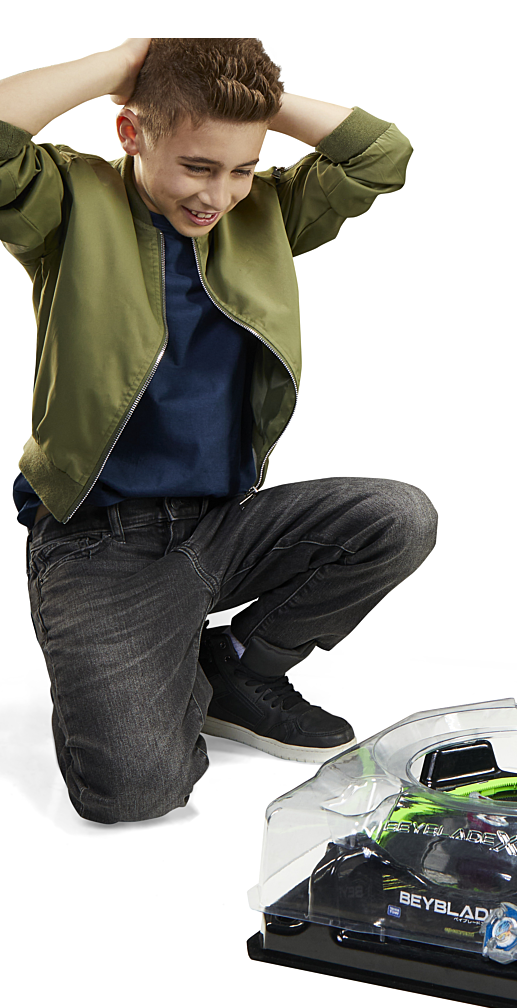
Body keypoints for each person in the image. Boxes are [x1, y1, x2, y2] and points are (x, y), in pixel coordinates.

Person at [0, 34, 437, 824]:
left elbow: (381, 154)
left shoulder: (268, 210)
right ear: (131, 133)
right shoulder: (66, 204)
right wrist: (131, 63)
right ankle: (153, 664)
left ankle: (235, 667)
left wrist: (246, 98)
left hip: (221, 528)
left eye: (242, 168)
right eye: (198, 166)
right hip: (100, 545)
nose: (220, 194)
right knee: (134, 790)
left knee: (397, 517)